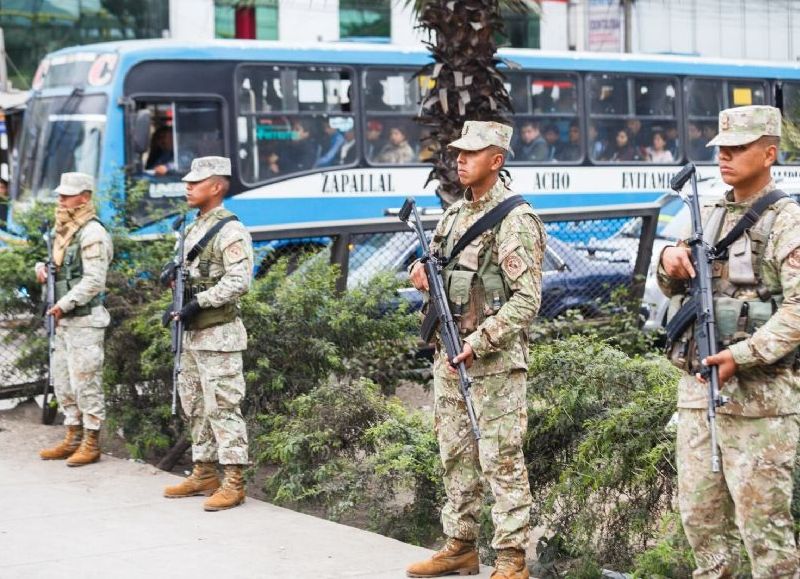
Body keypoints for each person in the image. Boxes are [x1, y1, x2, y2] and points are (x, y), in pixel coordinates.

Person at [659, 105, 800, 578]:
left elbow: (798, 310)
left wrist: (741, 355)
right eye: (721, 148)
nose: (725, 157)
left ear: (769, 153)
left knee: (764, 529)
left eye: (737, 148)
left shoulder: (787, 221)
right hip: (700, 393)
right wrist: (671, 260)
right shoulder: (707, 212)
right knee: (700, 520)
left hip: (761, 402)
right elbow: (669, 284)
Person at [406, 121, 546, 579]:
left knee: (501, 459)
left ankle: (511, 557)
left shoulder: (515, 219)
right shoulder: (452, 214)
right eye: (458, 152)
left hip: (495, 365)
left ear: (497, 160)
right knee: (455, 454)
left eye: (472, 152)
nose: (460, 159)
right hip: (449, 356)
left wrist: (481, 340)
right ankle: (461, 545)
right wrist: (422, 271)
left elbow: (528, 299)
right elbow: (443, 267)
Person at [162, 156, 254, 512]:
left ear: (216, 187)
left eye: (195, 182)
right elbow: (194, 272)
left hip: (218, 334)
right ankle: (203, 471)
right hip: (193, 333)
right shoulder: (194, 226)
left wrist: (197, 302)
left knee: (224, 406)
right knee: (195, 404)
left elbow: (238, 281)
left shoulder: (231, 230)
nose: (188, 187)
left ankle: (234, 481)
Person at [37, 173, 113, 467]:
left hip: (84, 320)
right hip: (63, 321)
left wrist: (64, 303)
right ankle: (72, 436)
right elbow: (63, 269)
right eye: (60, 195)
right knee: (64, 382)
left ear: (85, 197)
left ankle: (91, 442)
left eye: (67, 196)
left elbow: (95, 280)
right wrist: (43, 269)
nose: (61, 200)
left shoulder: (92, 233)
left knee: (86, 382)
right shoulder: (64, 232)